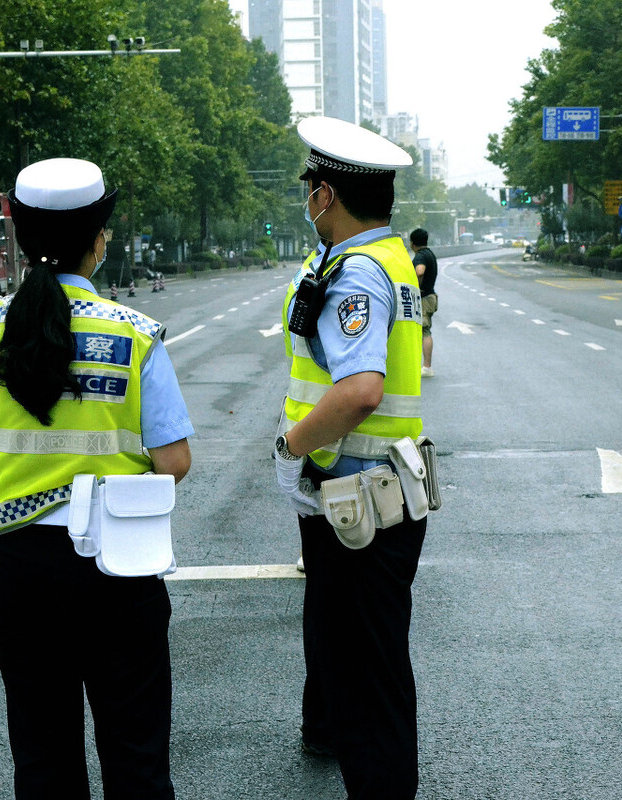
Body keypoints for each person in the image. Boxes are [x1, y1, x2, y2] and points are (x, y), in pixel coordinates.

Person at [0, 158, 193, 800]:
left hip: (20, 569)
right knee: (137, 756)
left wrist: (28, 490)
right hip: (119, 567)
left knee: (43, 755)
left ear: (23, 239)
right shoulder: (135, 336)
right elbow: (174, 462)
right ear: (99, 240)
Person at [275, 115, 428, 800]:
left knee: (369, 677)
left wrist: (291, 445)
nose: (307, 198)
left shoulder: (359, 271)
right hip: (371, 490)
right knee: (361, 662)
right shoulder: (387, 258)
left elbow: (361, 389)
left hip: (359, 494)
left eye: (310, 186)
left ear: (325, 196)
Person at [409, 228, 438, 377]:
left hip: (424, 298)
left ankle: (427, 367)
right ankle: (425, 365)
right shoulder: (430, 254)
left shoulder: (420, 256)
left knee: (424, 331)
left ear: (412, 243)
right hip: (431, 296)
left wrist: (414, 285)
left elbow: (420, 271)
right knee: (423, 330)